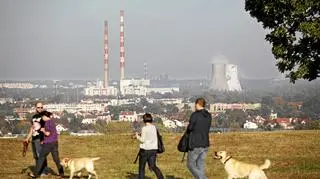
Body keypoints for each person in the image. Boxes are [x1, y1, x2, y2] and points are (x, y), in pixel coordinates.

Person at [28, 111, 64, 178]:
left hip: (48, 144)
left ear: (44, 116)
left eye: (42, 117)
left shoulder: (47, 123)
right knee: (56, 159)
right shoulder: (52, 122)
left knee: (41, 157)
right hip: (55, 142)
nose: (42, 118)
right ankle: (61, 173)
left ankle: (36, 174)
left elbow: (48, 134)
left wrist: (43, 130)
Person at [186, 98, 212, 179]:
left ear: (197, 104)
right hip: (205, 143)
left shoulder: (195, 115)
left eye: (195, 105)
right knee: (200, 165)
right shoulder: (208, 115)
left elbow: (190, 128)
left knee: (190, 164)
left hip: (195, 143)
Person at [135, 113, 164, 179]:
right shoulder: (154, 127)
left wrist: (137, 136)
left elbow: (142, 140)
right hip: (153, 150)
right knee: (153, 166)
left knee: (142, 168)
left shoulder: (144, 128)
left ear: (144, 120)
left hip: (145, 150)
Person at [24, 102, 48, 176]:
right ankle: (39, 171)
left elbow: (48, 127)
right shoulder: (34, 117)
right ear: (35, 108)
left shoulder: (44, 116)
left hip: (41, 139)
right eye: (38, 107)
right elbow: (32, 128)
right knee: (36, 156)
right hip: (34, 139)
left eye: (41, 107)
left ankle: (44, 172)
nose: (40, 109)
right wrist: (27, 138)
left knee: (41, 155)